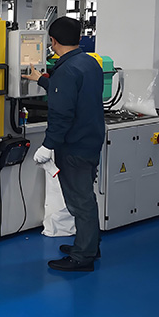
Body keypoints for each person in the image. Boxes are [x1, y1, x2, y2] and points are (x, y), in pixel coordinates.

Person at [22, 17, 105, 272]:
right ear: (79, 38)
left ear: (52, 41)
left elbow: (62, 114)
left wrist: (48, 145)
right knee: (86, 196)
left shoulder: (67, 70)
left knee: (79, 201)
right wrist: (42, 80)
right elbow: (72, 93)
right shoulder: (89, 63)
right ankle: (89, 245)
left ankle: (83, 257)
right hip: (90, 140)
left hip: (74, 146)